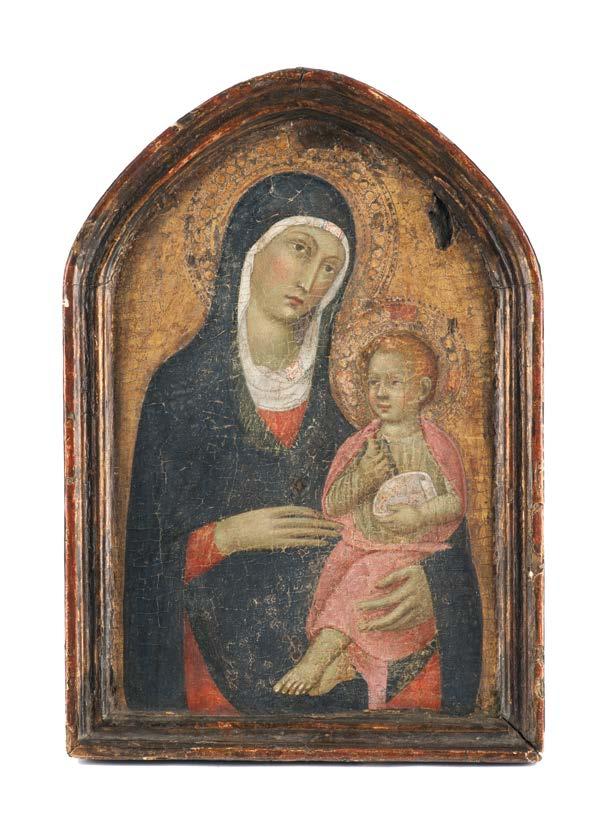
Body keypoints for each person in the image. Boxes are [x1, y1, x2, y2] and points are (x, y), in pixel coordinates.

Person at [123, 173, 482, 715]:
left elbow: (445, 521)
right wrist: (226, 537)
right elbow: (142, 560)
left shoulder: (361, 398)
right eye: (299, 249)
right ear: (251, 248)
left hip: (368, 659)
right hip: (216, 671)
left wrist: (436, 588)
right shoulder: (180, 392)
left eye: (331, 267)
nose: (311, 280)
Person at [274, 334, 470, 709]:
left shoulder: (435, 445)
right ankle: (344, 664)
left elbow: (454, 502)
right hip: (360, 547)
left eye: (393, 382)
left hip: (410, 551)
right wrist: (363, 477)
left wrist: (420, 515)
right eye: (373, 382)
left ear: (422, 389)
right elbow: (333, 504)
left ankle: (318, 659)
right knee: (344, 581)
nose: (380, 392)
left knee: (363, 581)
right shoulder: (361, 445)